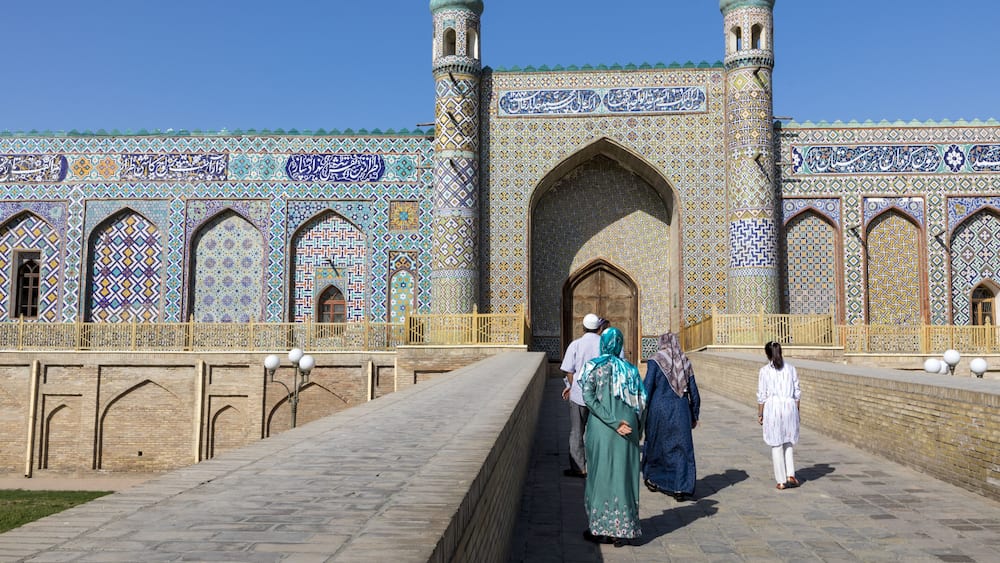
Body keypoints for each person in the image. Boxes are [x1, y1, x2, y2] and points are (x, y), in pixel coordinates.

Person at [580, 327, 646, 547]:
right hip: (629, 430)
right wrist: (638, 430)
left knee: (600, 476)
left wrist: (612, 421)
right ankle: (622, 530)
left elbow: (588, 398)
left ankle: (600, 528)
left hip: (602, 429)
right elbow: (642, 404)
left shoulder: (594, 367)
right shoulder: (631, 370)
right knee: (623, 477)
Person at [641, 332, 700, 501]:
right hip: (681, 409)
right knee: (681, 449)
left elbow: (648, 387)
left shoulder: (655, 360)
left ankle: (654, 479)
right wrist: (694, 413)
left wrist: (641, 411)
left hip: (659, 409)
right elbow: (694, 391)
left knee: (656, 444)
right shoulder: (684, 361)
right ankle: (681, 487)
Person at [559, 313, 602, 478]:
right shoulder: (604, 345)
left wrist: (571, 385)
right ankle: (598, 466)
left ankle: (579, 468)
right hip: (600, 396)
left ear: (583, 328)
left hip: (579, 395)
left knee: (577, 431)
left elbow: (569, 370)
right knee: (598, 431)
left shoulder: (575, 345)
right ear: (599, 328)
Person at [757, 341, 802, 490]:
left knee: (776, 444)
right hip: (790, 407)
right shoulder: (791, 369)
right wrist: (797, 412)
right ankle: (791, 474)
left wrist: (760, 413)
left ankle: (781, 480)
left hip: (773, 408)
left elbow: (761, 395)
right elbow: (797, 393)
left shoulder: (764, 371)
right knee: (788, 442)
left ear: (767, 354)